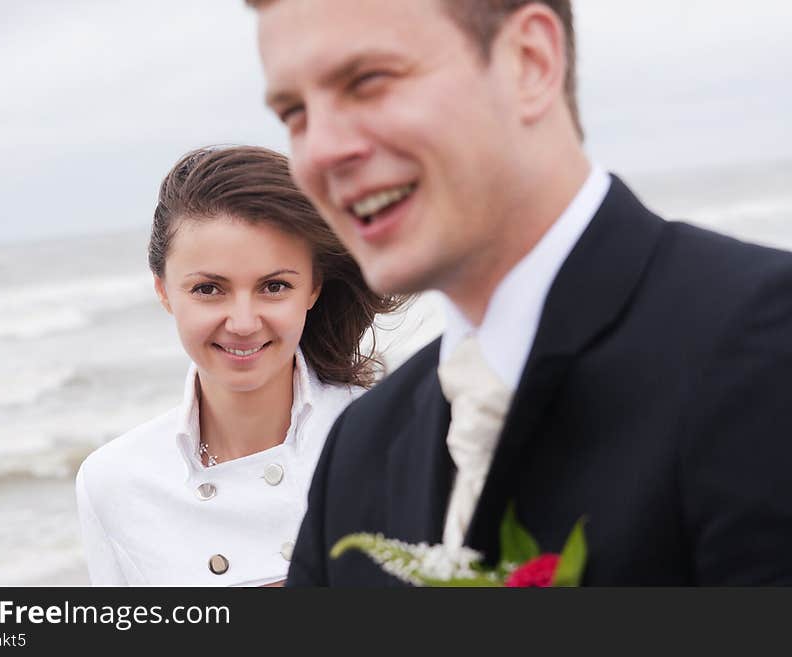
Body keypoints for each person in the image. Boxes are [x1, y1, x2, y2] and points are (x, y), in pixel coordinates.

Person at [247, 0, 792, 585]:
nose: (322, 151)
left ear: (529, 62)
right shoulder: (358, 450)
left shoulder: (766, 343)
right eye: (295, 113)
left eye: (368, 82)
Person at [75, 145, 402, 585]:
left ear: (313, 288)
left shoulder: (392, 437)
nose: (244, 323)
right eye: (209, 289)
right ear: (164, 291)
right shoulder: (114, 481)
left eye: (274, 286)